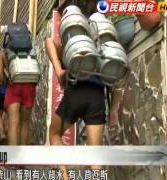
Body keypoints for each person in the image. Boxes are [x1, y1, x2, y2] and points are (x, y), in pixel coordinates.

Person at [45, 15, 123, 178]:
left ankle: (64, 177)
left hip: (76, 92)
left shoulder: (75, 42)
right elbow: (116, 83)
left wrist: (59, 70)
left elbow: (48, 41)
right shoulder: (106, 48)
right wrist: (114, 108)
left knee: (54, 133)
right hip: (97, 97)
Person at [0, 23, 37, 145]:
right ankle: (22, 160)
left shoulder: (3, 52)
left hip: (13, 86)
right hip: (29, 86)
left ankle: (13, 158)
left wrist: (5, 81)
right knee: (25, 122)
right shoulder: (31, 49)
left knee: (13, 122)